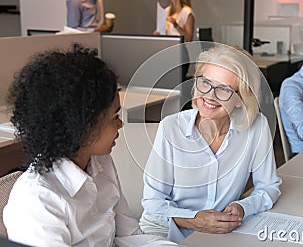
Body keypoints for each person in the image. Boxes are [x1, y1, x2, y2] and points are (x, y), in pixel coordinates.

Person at [3, 45, 177, 247]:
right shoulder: (39, 200)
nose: (121, 124)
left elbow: (128, 235)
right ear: (82, 126)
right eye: (114, 117)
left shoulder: (100, 162)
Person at [139, 44, 282, 243]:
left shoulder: (257, 127)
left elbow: (269, 187)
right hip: (165, 229)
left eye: (223, 89)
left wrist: (243, 207)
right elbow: (153, 203)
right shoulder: (171, 128)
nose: (209, 96)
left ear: (241, 98)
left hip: (220, 234)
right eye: (205, 83)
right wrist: (194, 220)